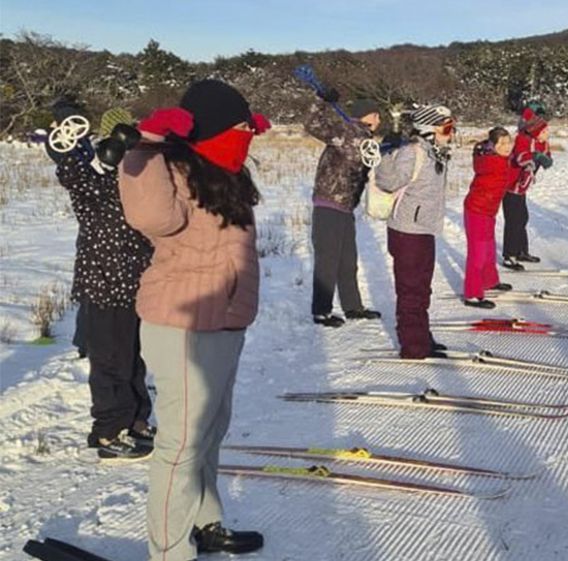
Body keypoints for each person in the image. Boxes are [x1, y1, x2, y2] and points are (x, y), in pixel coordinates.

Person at [118, 79, 269, 560]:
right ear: (217, 127)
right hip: (180, 325)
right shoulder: (169, 169)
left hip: (226, 322)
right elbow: (152, 218)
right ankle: (168, 551)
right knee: (180, 446)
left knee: (210, 433)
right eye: (241, 126)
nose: (248, 134)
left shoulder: (227, 173)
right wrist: (145, 146)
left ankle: (206, 524)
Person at [45, 100, 154, 462]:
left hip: (136, 278)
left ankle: (137, 418)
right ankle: (109, 430)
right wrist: (70, 131)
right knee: (110, 361)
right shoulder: (89, 173)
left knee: (134, 357)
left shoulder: (132, 175)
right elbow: (69, 168)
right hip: (105, 281)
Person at [374, 104, 454, 358]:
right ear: (430, 129)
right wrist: (385, 155)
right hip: (407, 231)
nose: (451, 133)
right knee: (410, 290)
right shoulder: (413, 152)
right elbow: (388, 182)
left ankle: (421, 335)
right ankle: (413, 346)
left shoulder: (435, 152)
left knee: (422, 289)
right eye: (447, 127)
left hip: (423, 228)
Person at [305, 92, 383, 327]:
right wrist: (321, 100)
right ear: (367, 115)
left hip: (346, 206)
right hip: (328, 203)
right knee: (327, 260)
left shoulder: (367, 140)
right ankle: (321, 311)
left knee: (348, 260)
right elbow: (312, 124)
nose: (379, 119)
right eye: (376, 114)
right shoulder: (344, 131)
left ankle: (353, 307)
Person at [464, 127, 520, 308]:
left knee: (489, 248)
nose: (507, 146)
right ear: (492, 145)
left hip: (488, 211)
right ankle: (472, 293)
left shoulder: (502, 160)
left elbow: (510, 179)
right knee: (478, 253)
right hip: (477, 210)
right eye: (501, 143)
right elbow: (494, 166)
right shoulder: (492, 162)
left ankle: (489, 281)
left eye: (508, 142)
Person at [502, 104, 552, 270]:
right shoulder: (523, 139)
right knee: (513, 221)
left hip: (522, 187)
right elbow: (520, 157)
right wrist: (534, 156)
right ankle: (509, 256)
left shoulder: (541, 142)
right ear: (537, 132)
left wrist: (546, 159)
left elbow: (546, 155)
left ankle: (521, 251)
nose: (548, 134)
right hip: (510, 185)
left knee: (522, 218)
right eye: (545, 132)